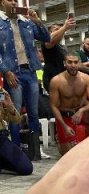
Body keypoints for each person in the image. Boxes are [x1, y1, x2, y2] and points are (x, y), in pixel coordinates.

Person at [0, 1, 50, 160]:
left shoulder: (26, 21)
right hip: (13, 73)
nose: (14, 2)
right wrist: (6, 70)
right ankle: (16, 153)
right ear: (2, 3)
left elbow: (46, 37)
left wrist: (37, 20)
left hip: (31, 72)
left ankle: (35, 152)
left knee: (33, 113)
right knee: (14, 114)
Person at [49, 53, 89, 155]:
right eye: (70, 62)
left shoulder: (86, 78)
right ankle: (61, 138)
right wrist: (64, 126)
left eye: (75, 62)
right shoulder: (56, 81)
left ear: (79, 63)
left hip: (81, 114)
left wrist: (81, 110)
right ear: (64, 64)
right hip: (65, 116)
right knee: (69, 155)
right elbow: (53, 106)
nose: (73, 65)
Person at [0, 89, 32, 175]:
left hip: (1, 137)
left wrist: (10, 106)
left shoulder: (1, 91)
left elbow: (16, 120)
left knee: (26, 168)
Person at [41, 17, 75, 92]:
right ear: (50, 32)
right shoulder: (46, 41)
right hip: (51, 77)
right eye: (57, 30)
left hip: (62, 76)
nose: (60, 31)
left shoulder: (63, 47)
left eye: (61, 30)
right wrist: (65, 27)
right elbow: (51, 41)